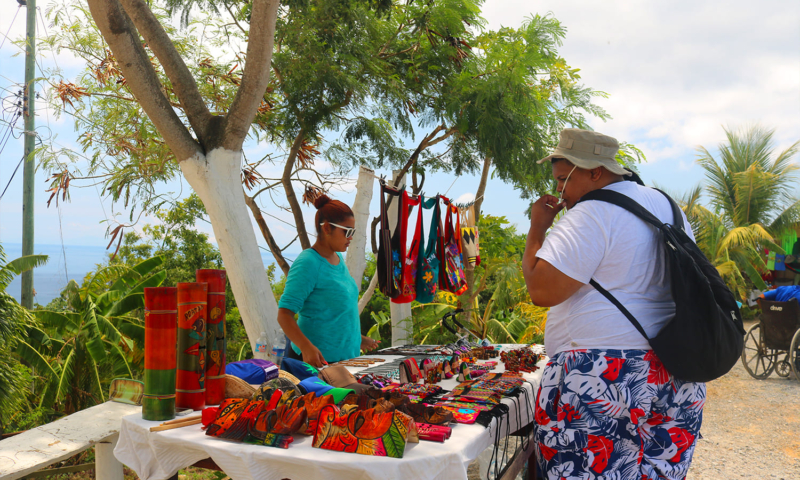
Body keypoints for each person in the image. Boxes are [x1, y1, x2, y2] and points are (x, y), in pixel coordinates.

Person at [522, 128, 705, 480]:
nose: (559, 190)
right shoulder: (669, 207)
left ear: (594, 172)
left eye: (563, 179)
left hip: (605, 374)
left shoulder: (592, 212)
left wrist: (537, 229)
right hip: (677, 370)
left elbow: (542, 291)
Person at [277, 193, 379, 368]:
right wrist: (306, 347)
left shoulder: (337, 258)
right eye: (347, 231)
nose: (351, 237)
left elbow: (333, 313)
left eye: (353, 232)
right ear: (326, 228)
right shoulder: (308, 263)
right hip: (316, 364)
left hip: (345, 361)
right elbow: (284, 315)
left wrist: (357, 339)